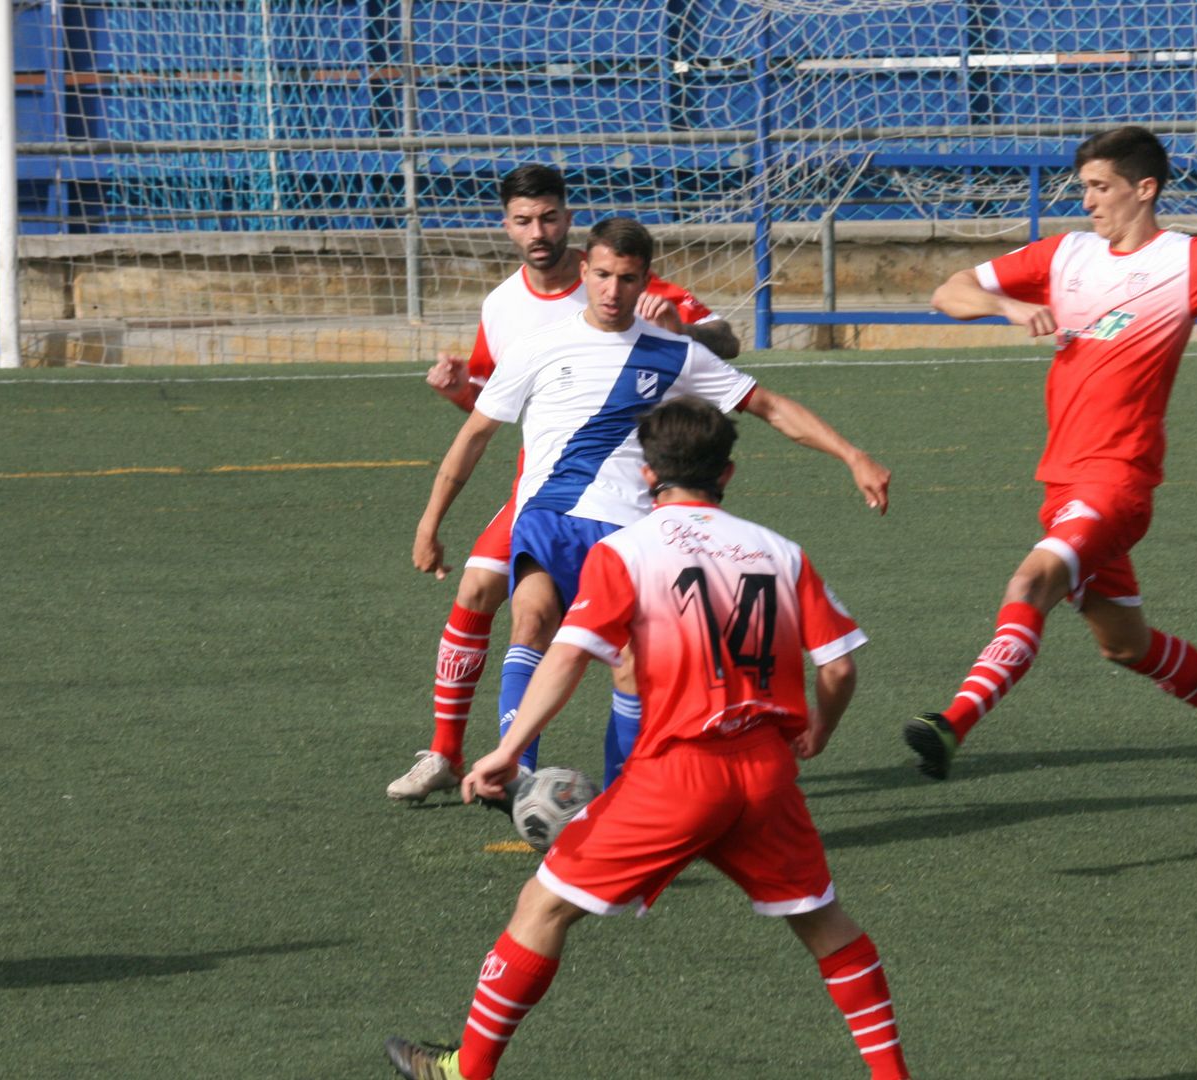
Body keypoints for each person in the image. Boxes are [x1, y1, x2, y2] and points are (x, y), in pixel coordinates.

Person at [384, 398, 911, 1080]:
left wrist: (509, 751)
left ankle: (468, 1070)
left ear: (644, 475)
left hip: (678, 775)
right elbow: (838, 667)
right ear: (728, 470)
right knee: (827, 926)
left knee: (542, 907)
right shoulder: (779, 551)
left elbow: (570, 656)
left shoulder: (625, 553)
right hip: (765, 773)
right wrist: (818, 729)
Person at [909, 126, 1197, 818]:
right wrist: (1008, 305)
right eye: (1082, 186)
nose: (1086, 200)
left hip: (1116, 481)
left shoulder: (1191, 261)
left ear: (1143, 188)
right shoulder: (1065, 255)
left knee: (1031, 581)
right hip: (1064, 481)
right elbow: (949, 290)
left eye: (1099, 187)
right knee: (1124, 645)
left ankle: (952, 725)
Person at [404, 215, 891, 805]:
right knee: (531, 620)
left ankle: (622, 794)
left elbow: (768, 405)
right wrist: (431, 523)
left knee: (629, 665)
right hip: (547, 516)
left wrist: (851, 453)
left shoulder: (676, 354)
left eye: (627, 279)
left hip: (630, 534)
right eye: (603, 275)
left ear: (645, 283)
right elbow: (475, 435)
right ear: (584, 270)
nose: (612, 291)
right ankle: (515, 779)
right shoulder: (537, 348)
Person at [388, 164, 745, 803]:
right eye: (524, 220)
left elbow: (728, 339)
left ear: (568, 219)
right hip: (542, 491)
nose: (539, 231)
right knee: (479, 590)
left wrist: (678, 328)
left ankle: (629, 774)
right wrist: (454, 391)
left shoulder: (613, 279)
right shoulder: (501, 306)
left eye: (549, 216)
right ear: (506, 226)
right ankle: (450, 753)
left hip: (618, 490)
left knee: (617, 642)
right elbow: (491, 403)